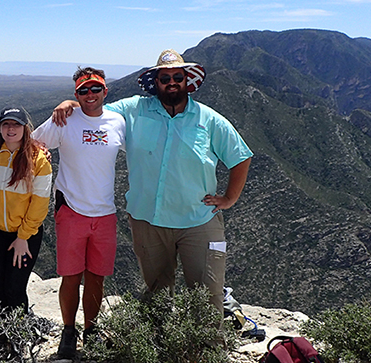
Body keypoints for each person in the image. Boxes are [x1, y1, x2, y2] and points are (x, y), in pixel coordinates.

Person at [54, 49, 252, 314]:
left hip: (199, 220)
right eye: (165, 78)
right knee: (157, 294)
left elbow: (240, 157)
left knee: (208, 293)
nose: (172, 82)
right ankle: (158, 351)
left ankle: (208, 353)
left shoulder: (209, 119)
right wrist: (72, 103)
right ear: (156, 83)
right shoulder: (134, 110)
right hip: (148, 220)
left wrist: (230, 198)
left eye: (177, 77)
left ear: (187, 80)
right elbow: (96, 110)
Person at [33, 67, 125, 359]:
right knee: (71, 277)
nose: (90, 95)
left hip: (105, 212)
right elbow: (33, 142)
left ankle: (92, 329)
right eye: (83, 91)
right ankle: (69, 331)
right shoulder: (65, 120)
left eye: (95, 89)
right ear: (76, 94)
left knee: (97, 277)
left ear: (105, 91)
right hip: (71, 209)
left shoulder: (118, 122)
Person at [0, 106, 52, 358]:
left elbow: (41, 203)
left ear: (25, 128)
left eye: (16, 125)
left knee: (15, 288)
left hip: (24, 235)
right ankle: (2, 344)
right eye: (6, 124)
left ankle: (18, 340)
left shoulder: (38, 160)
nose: (11, 129)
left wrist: (23, 237)